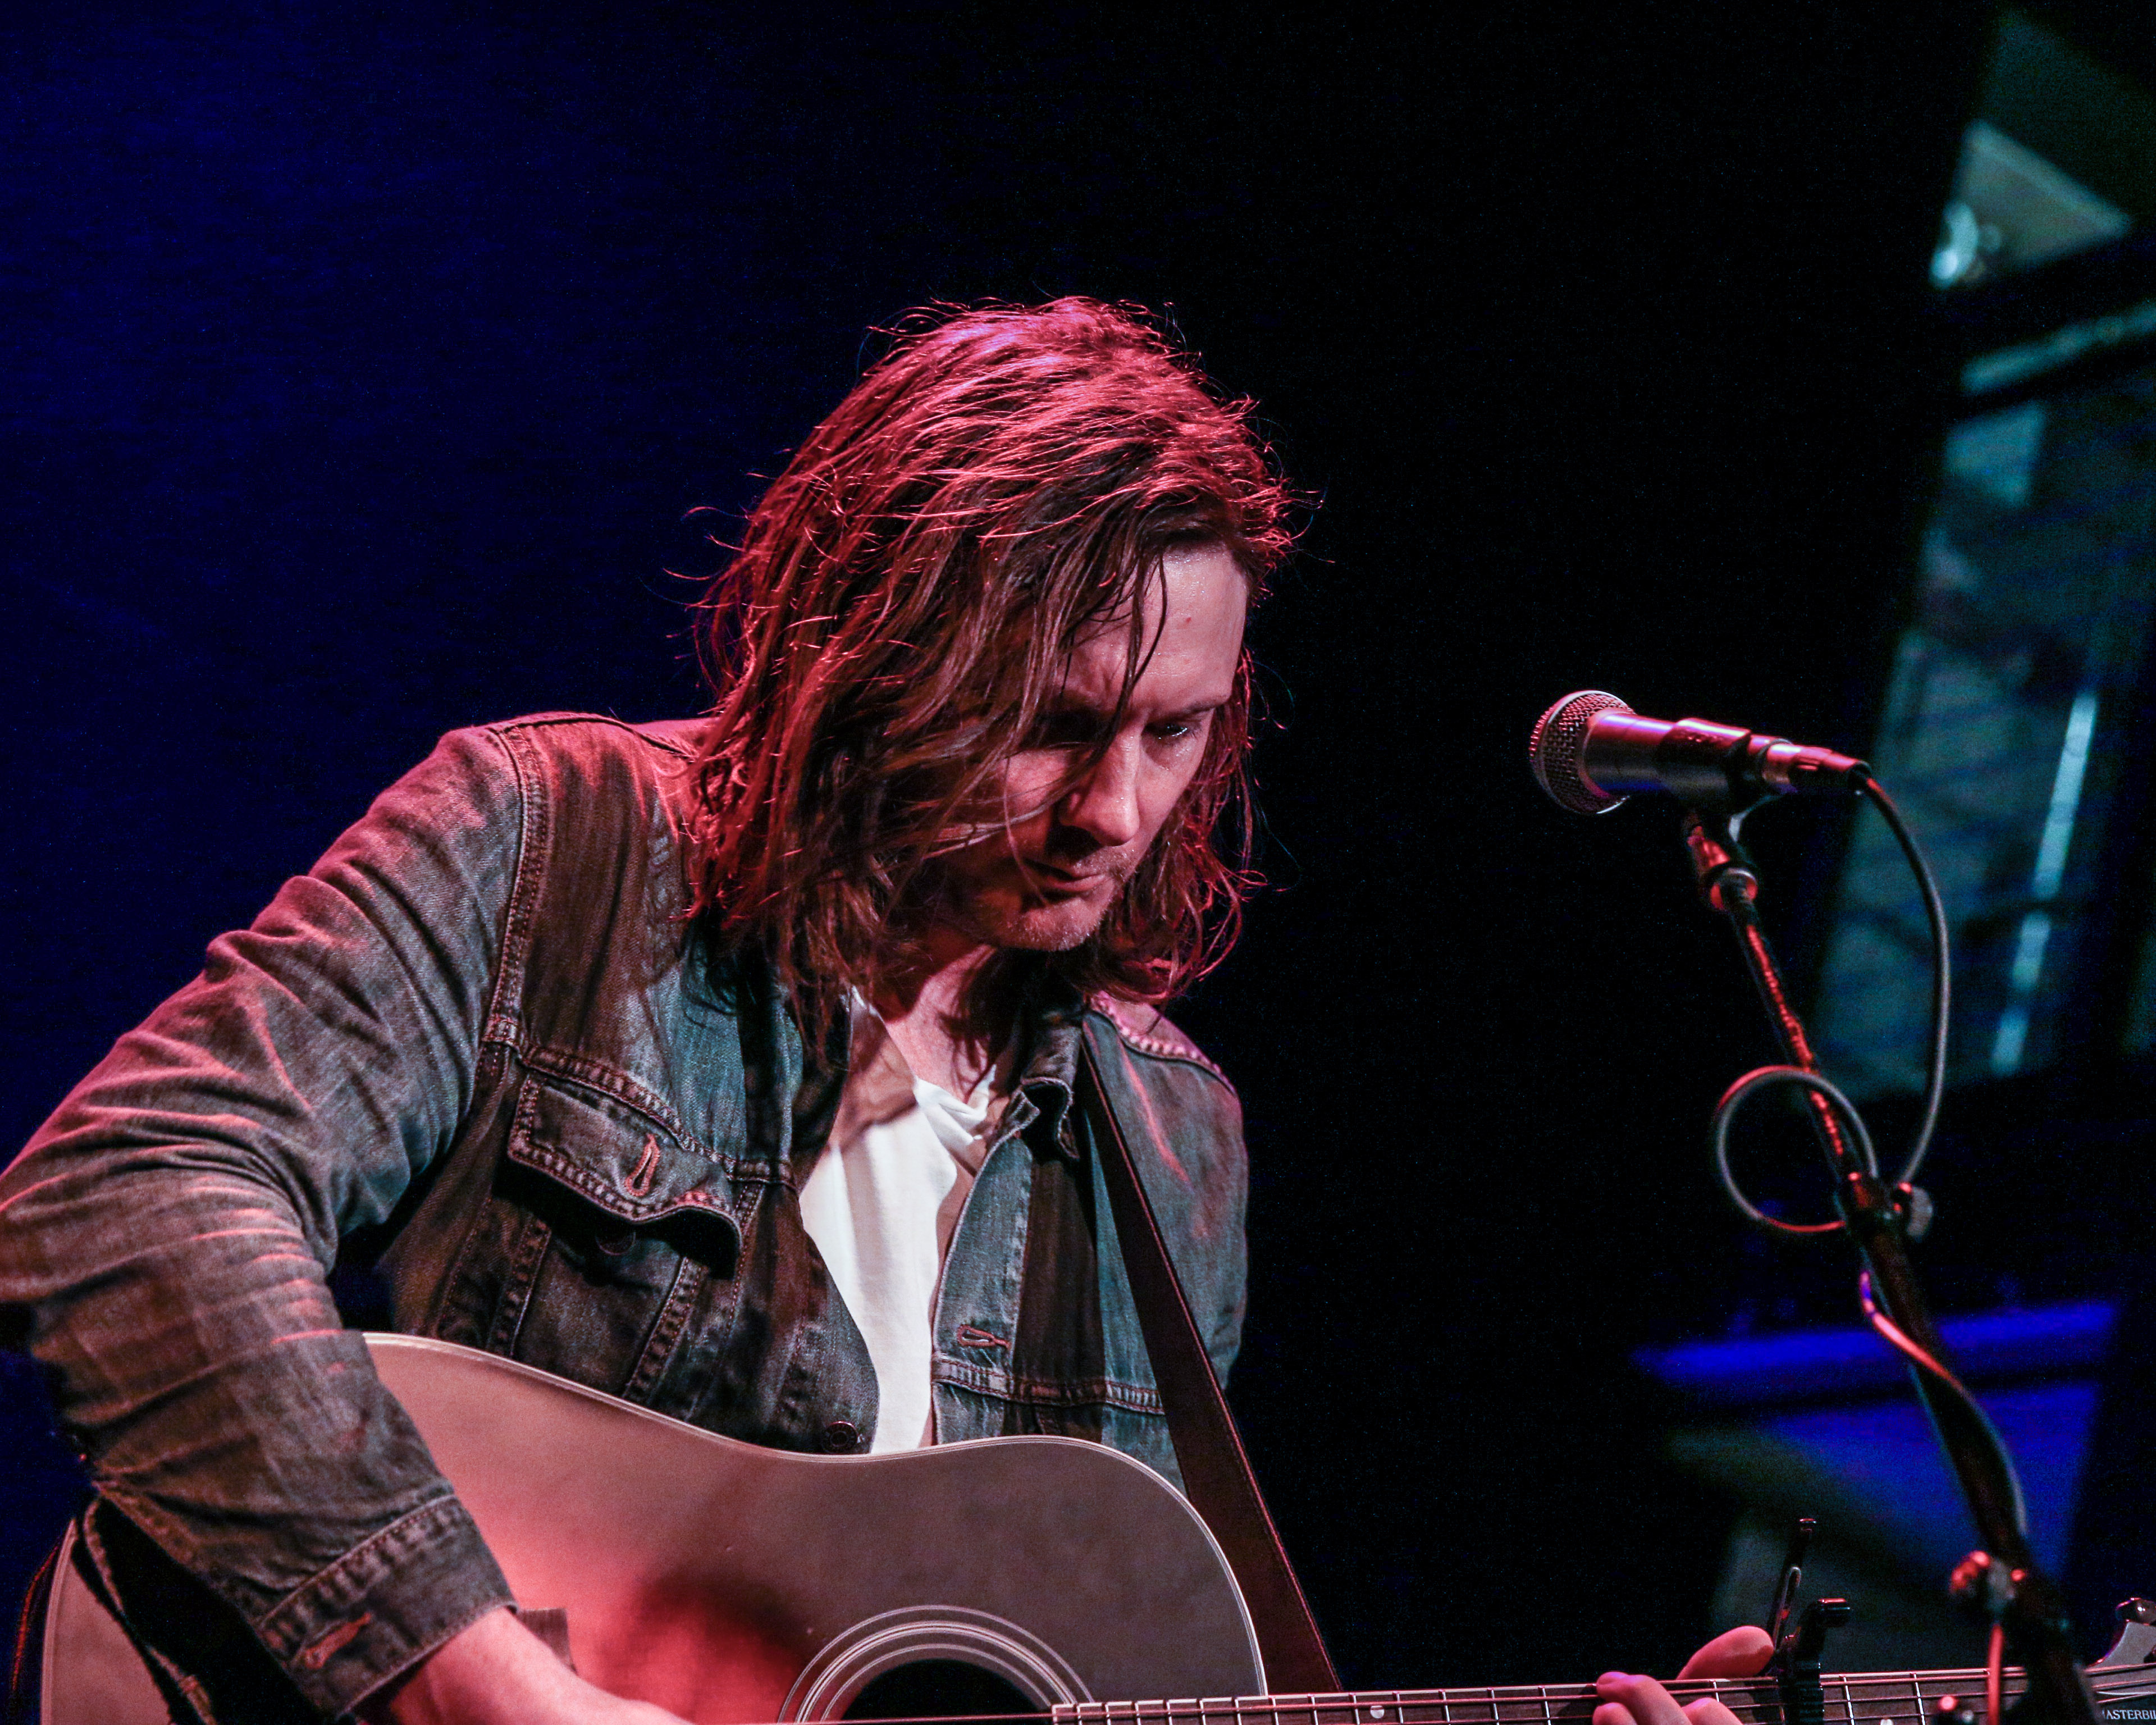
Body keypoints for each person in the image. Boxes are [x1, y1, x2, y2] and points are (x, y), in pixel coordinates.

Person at [0, 299, 1766, 1724]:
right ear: (879, 657)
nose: (1116, 812)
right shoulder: (556, 844)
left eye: (1175, 733)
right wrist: (472, 1675)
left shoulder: (1174, 1138)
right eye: (1057, 723)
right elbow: (125, 1191)